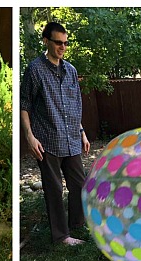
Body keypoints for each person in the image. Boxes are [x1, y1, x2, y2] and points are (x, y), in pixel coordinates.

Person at [20, 21, 90, 246]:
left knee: (79, 184)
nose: (62, 47)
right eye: (58, 42)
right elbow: (24, 104)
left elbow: (75, 104)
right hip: (47, 140)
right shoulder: (35, 69)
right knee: (54, 189)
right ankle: (61, 236)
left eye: (65, 43)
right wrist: (30, 136)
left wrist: (82, 132)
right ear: (46, 41)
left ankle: (78, 225)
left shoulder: (71, 71)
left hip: (71, 138)